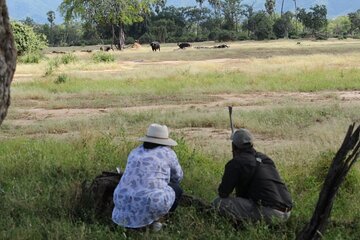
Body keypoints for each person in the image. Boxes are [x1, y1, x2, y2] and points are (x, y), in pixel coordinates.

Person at [212, 128, 292, 225]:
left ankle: (241, 225)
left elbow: (223, 193)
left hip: (270, 213)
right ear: (251, 145)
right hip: (287, 212)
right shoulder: (265, 159)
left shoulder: (236, 163)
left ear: (234, 146)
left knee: (218, 202)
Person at [112, 123, 183, 231]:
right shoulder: (168, 153)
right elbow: (177, 177)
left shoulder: (134, 152)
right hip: (150, 201)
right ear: (165, 141)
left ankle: (130, 225)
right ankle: (158, 221)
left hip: (121, 198)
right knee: (177, 190)